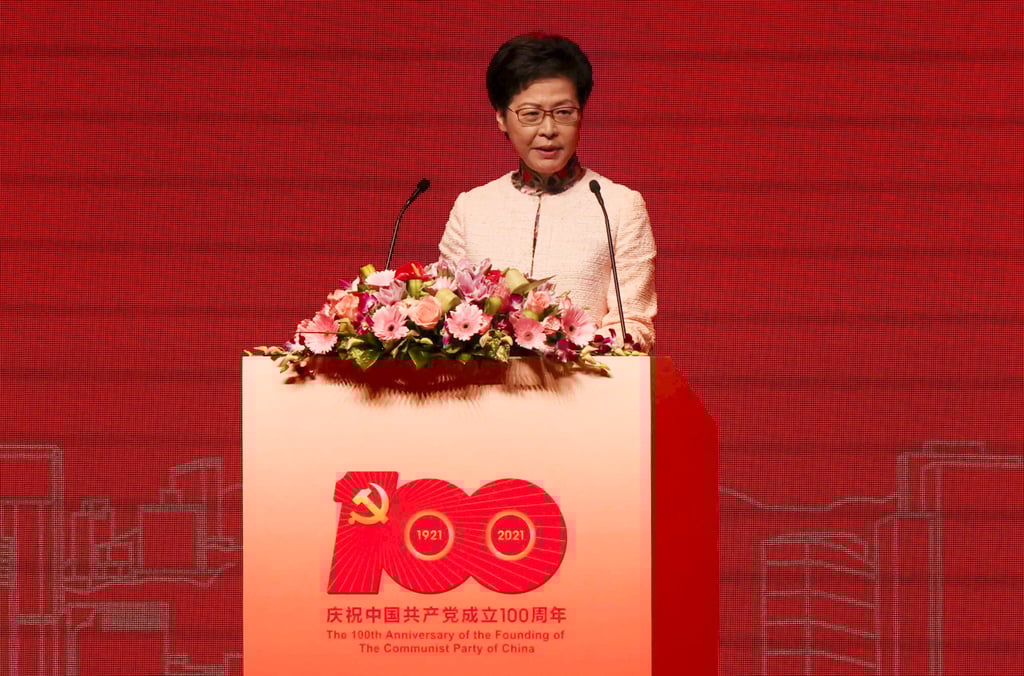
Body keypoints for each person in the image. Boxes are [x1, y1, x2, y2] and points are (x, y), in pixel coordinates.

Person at [439, 32, 657, 350]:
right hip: (485, 392)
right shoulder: (471, 208)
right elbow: (450, 312)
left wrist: (580, 349)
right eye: (531, 114)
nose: (549, 130)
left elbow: (634, 324)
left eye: (564, 112)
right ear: (501, 117)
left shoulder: (619, 205)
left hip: (587, 389)